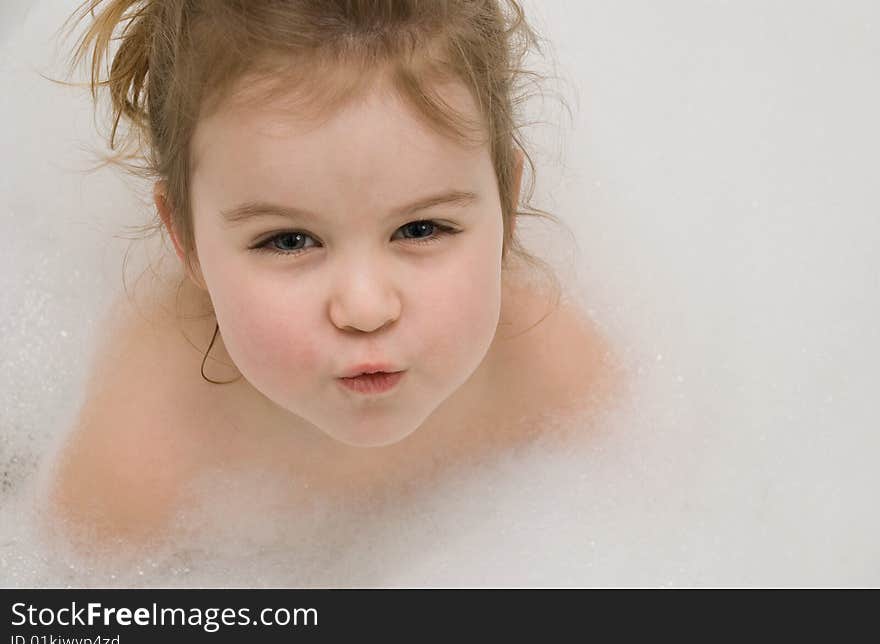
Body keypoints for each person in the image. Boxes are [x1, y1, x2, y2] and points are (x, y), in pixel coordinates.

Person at [40, 0, 619, 552]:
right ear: (185, 240)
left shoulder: (559, 383)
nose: (366, 309)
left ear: (507, 208)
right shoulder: (139, 465)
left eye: (421, 229)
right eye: (289, 241)